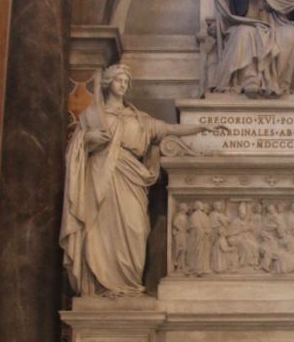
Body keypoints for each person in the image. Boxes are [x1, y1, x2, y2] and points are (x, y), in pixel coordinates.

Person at [60, 64, 216, 296]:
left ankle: (128, 283)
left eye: (126, 82)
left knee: (136, 228)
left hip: (132, 176)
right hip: (102, 175)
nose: (123, 85)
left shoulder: (140, 119)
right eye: (118, 80)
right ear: (108, 83)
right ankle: (105, 286)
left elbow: (169, 129)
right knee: (101, 229)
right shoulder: (93, 116)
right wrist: (87, 139)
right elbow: (74, 151)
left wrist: (201, 127)